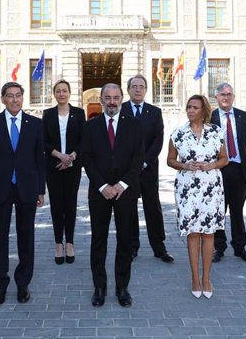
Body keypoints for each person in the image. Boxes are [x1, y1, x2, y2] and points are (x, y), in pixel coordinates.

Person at [0, 82, 45, 306]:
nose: (15, 100)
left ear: (22, 98)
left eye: (18, 96)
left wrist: (40, 190)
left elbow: (39, 160)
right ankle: (0, 284)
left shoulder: (35, 124)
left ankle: (23, 283)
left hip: (26, 189)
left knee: (26, 238)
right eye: (10, 96)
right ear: (3, 99)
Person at [83, 83, 143, 308]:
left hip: (125, 194)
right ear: (101, 99)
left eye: (116, 97)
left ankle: (122, 287)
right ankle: (99, 287)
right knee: (98, 241)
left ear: (121, 99)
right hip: (99, 194)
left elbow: (138, 159)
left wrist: (121, 185)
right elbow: (86, 159)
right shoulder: (91, 126)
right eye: (107, 98)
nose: (112, 102)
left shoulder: (134, 126)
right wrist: (102, 186)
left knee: (125, 241)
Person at [167, 95, 227, 299]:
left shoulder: (216, 132)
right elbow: (170, 160)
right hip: (187, 188)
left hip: (211, 186)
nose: (190, 110)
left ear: (204, 111)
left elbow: (224, 159)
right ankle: (194, 277)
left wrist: (211, 165)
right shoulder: (178, 133)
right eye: (188, 107)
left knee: (209, 233)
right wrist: (185, 165)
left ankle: (207, 278)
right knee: (193, 233)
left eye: (195, 107)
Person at [120, 75, 173, 263]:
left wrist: (144, 162)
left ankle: (159, 247)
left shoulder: (154, 112)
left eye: (141, 86)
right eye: (134, 86)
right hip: (125, 170)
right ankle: (132, 247)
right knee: (129, 208)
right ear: (128, 90)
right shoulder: (121, 109)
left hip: (148, 169)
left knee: (152, 207)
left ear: (146, 90)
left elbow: (158, 140)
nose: (138, 90)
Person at [210, 83, 246, 264]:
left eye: (229, 94)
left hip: (239, 170)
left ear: (233, 96)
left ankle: (240, 247)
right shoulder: (210, 117)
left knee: (237, 210)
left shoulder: (244, 116)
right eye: (222, 94)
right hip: (218, 170)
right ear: (217, 98)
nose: (226, 98)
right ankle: (219, 248)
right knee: (219, 211)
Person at [43, 79, 85, 264]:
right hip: (53, 166)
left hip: (73, 167)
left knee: (70, 205)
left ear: (69, 93)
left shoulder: (79, 113)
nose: (61, 94)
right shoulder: (48, 114)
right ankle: (58, 243)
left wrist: (71, 158)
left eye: (64, 91)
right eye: (58, 91)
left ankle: (70, 242)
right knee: (56, 206)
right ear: (54, 94)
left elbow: (84, 140)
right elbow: (43, 141)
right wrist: (60, 156)